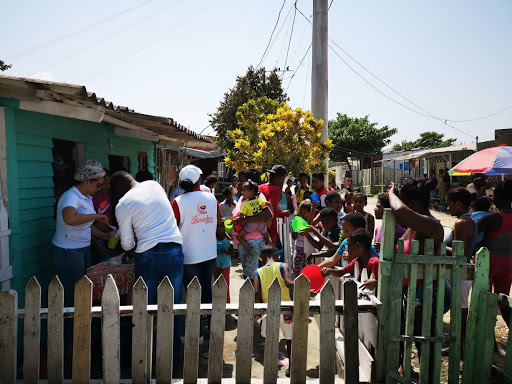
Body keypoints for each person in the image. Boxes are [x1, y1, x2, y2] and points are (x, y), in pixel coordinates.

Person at [387, 178, 448, 377]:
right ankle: (410, 372)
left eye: (404, 202)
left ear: (412, 204)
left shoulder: (432, 226)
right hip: (412, 291)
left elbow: (400, 211)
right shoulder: (414, 228)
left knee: (425, 342)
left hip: (427, 293)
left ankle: (429, 379)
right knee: (413, 339)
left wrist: (391, 194)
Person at [51, 160, 109, 348]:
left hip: (81, 249)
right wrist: (96, 216)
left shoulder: (85, 197)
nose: (100, 188)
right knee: (71, 298)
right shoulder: (71, 197)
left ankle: (80, 334)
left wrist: (102, 235)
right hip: (69, 251)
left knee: (82, 294)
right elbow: (70, 219)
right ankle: (70, 342)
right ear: (86, 181)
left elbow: (84, 225)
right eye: (98, 184)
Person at [443, 187, 479, 358]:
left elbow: (460, 252)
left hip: (461, 272)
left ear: (458, 204)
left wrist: (440, 246)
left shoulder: (462, 223)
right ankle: (455, 345)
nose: (447, 207)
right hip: (461, 271)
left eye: (449, 204)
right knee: (459, 310)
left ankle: (461, 349)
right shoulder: (469, 220)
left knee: (461, 311)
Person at [253, 245, 295, 378]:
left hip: (268, 311)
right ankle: (292, 367)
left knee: (270, 340)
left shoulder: (258, 272)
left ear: (261, 259)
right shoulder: (283, 266)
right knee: (290, 339)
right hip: (286, 310)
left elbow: (257, 293)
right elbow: (289, 283)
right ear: (278, 257)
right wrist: (306, 288)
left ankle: (271, 368)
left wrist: (256, 315)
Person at [478, 180, 512, 327]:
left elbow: (473, 238)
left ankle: (489, 340)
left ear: (497, 198)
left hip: (488, 262)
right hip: (509, 263)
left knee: (483, 299)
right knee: (503, 301)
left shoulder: (492, 218)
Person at [231, 169, 273, 281]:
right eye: (238, 180)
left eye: (241, 181)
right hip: (244, 241)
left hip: (253, 240)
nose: (239, 183)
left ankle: (254, 295)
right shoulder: (242, 197)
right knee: (247, 270)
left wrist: (245, 220)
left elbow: (267, 214)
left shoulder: (258, 197)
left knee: (251, 273)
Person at [236, 180, 273, 255]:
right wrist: (271, 215)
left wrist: (239, 220)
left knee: (239, 237)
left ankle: (249, 250)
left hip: (251, 225)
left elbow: (241, 217)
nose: (242, 192)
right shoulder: (259, 200)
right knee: (267, 237)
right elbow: (269, 204)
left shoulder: (245, 204)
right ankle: (272, 251)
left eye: (244, 191)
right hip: (261, 224)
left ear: (251, 192)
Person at [259, 165, 291, 244]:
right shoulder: (276, 190)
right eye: (282, 179)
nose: (282, 182)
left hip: (257, 225)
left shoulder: (260, 187)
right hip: (270, 228)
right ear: (278, 178)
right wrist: (284, 213)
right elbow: (272, 210)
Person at [292, 199, 313, 277]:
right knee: (296, 267)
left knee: (306, 267)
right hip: (298, 247)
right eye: (301, 212)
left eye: (305, 212)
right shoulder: (297, 221)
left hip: (307, 248)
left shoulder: (310, 222)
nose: (302, 214)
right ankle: (297, 279)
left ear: (309, 213)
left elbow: (310, 227)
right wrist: (295, 229)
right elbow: (294, 237)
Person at [215, 223, 234, 303]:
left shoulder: (228, 240)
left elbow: (232, 252)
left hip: (225, 265)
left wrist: (225, 252)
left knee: (225, 285)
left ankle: (227, 304)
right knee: (216, 285)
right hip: (216, 266)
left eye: (222, 226)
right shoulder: (213, 239)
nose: (219, 228)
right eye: (217, 226)